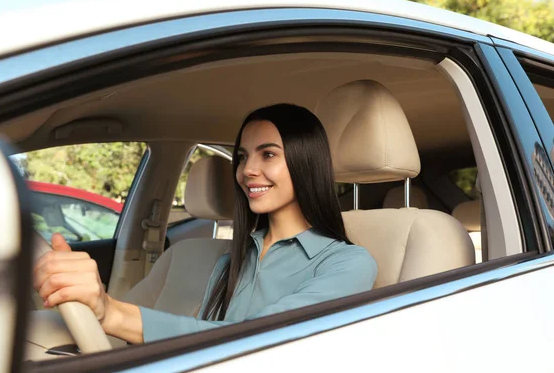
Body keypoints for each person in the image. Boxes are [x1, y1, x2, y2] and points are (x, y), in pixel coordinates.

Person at [34, 104, 378, 344]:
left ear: (307, 162)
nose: (246, 170)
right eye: (242, 157)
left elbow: (252, 340)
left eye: (268, 154)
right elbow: (208, 342)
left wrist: (111, 312)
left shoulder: (349, 264)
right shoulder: (231, 259)